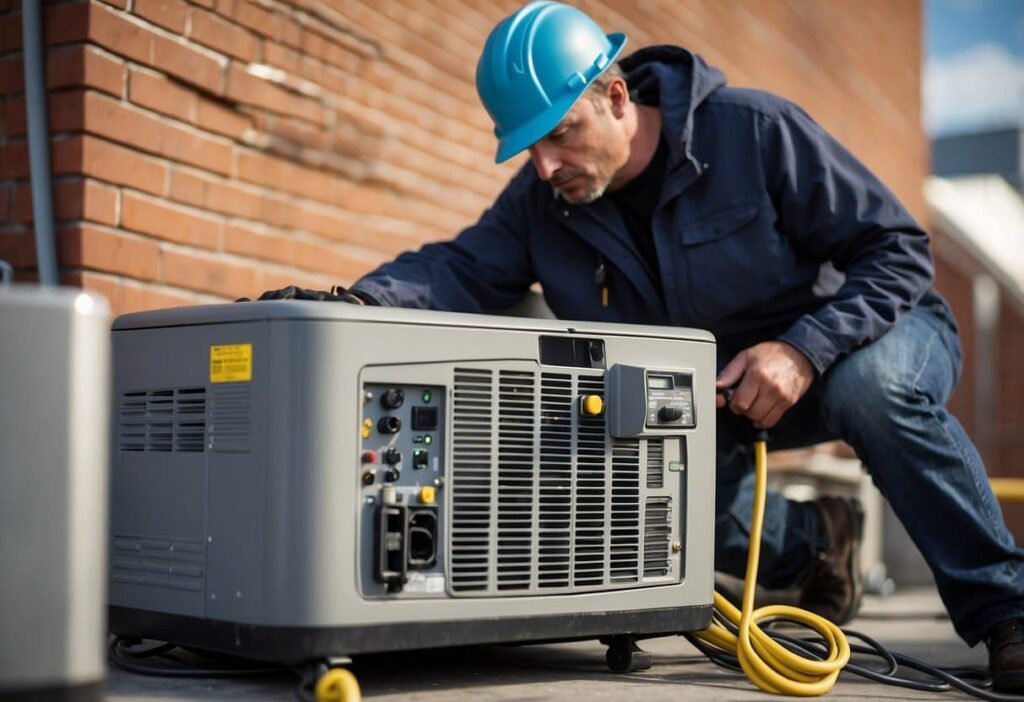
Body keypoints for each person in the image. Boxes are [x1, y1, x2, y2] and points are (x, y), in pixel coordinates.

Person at [264, 1, 1024, 689]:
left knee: (870, 391)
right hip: (724, 390)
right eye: (527, 148)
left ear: (619, 98)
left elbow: (896, 249)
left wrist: (803, 349)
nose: (545, 166)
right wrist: (355, 302)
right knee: (628, 487)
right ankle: (816, 542)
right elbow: (459, 268)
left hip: (878, 330)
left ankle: (1006, 613)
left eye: (561, 134)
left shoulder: (754, 132)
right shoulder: (543, 203)